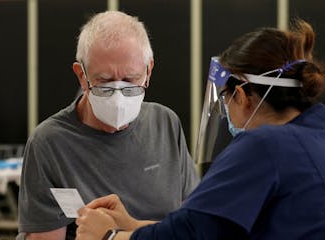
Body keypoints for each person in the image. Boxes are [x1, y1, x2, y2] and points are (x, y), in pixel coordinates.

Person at [75, 19, 325, 239]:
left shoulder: (265, 145)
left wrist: (109, 236)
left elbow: (190, 235)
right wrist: (133, 225)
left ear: (243, 97)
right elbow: (210, 225)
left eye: (225, 100)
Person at [17, 10, 199, 240]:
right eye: (104, 82)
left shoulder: (165, 124)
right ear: (81, 76)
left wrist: (116, 234)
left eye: (130, 80)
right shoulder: (50, 144)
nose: (118, 96)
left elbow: (195, 226)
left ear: (148, 71)